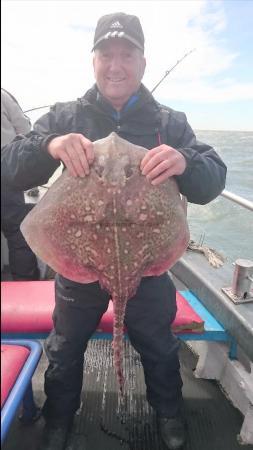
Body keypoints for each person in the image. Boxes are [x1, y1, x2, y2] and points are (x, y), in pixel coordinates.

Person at [1, 12, 227, 450]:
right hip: (79, 262)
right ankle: (59, 421)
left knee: (160, 348)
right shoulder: (66, 116)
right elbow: (8, 166)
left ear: (142, 63)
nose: (116, 64)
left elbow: (212, 178)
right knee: (64, 350)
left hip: (147, 266)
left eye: (127, 55)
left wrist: (185, 161)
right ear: (94, 61)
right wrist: (49, 145)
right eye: (107, 54)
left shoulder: (170, 121)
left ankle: (169, 415)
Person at [1, 88, 40, 281]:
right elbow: (25, 130)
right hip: (6, 173)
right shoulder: (3, 95)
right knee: (18, 235)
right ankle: (26, 285)